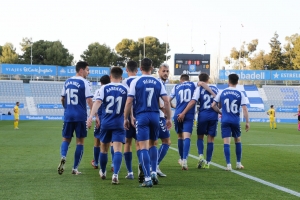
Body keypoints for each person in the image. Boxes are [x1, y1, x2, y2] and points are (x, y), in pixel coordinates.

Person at [124, 58, 172, 187]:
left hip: (142, 116)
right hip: (155, 116)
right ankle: (154, 172)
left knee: (143, 146)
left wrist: (126, 118)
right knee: (153, 145)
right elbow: (166, 101)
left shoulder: (136, 81)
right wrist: (168, 118)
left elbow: (129, 102)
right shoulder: (158, 82)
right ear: (152, 68)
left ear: (140, 68)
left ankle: (147, 178)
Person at [87, 66, 128, 185]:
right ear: (121, 77)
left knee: (103, 149)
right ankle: (115, 175)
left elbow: (98, 102)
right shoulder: (126, 89)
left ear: (110, 76)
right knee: (118, 150)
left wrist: (90, 117)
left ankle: (103, 171)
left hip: (106, 123)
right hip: (119, 123)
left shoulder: (104, 88)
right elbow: (129, 104)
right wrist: (128, 118)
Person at [57, 61, 93, 175]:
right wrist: (93, 114)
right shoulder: (85, 82)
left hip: (68, 114)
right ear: (81, 70)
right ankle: (75, 169)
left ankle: (63, 156)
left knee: (66, 139)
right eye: (87, 69)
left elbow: (62, 99)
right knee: (80, 142)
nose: (88, 72)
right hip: (80, 115)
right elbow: (89, 100)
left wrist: (66, 109)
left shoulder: (67, 81)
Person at [177, 73, 218, 169]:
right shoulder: (216, 88)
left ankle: (200, 155)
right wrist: (218, 111)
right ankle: (207, 163)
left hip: (203, 115)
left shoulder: (199, 88)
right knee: (211, 139)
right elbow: (218, 102)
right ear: (208, 79)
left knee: (200, 137)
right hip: (213, 115)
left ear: (200, 79)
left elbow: (194, 100)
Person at [211, 74, 250, 171]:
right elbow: (244, 108)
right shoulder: (240, 93)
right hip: (235, 121)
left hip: (225, 120)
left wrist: (220, 112)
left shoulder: (222, 92)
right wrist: (247, 122)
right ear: (237, 82)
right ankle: (238, 163)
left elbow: (213, 105)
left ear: (228, 81)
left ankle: (228, 165)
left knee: (226, 143)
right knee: (238, 140)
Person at [169, 74, 196, 170]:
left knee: (180, 136)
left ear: (181, 80)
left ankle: (181, 158)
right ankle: (184, 160)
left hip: (178, 113)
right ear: (188, 79)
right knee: (187, 137)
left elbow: (168, 100)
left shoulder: (176, 86)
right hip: (189, 114)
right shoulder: (193, 85)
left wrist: (173, 105)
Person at [122, 60, 140, 180]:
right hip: (141, 115)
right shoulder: (140, 80)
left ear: (126, 70)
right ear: (137, 70)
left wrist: (127, 117)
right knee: (140, 144)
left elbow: (128, 101)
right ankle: (141, 170)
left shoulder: (124, 82)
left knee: (127, 143)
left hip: (128, 115)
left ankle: (130, 172)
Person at [155, 63, 171, 177]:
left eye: (167, 71)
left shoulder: (162, 83)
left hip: (158, 115)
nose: (165, 73)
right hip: (158, 116)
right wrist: (162, 108)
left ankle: (152, 166)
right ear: (159, 72)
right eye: (163, 71)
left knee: (153, 143)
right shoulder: (158, 82)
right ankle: (154, 166)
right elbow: (157, 98)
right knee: (166, 141)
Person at [91, 75, 110, 169]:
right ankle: (113, 164)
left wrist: (95, 117)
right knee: (112, 142)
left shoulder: (98, 91)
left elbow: (95, 104)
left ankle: (96, 162)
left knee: (97, 141)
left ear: (101, 82)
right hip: (110, 118)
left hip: (100, 118)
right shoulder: (111, 89)